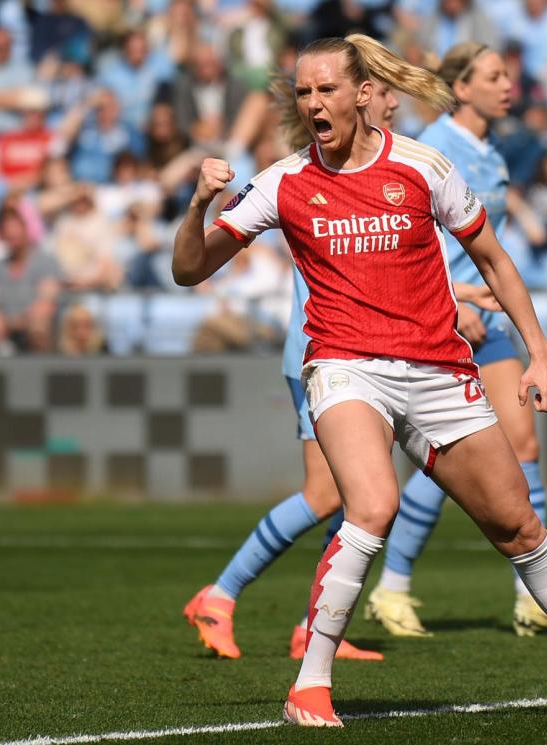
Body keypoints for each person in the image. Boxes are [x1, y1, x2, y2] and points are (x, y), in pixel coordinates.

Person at [173, 33, 547, 727]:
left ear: (363, 95)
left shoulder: (422, 166)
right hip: (344, 366)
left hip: (440, 370)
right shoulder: (282, 181)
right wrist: (197, 205)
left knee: (519, 525)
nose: (312, 102)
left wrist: (538, 351)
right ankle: (310, 685)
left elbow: (496, 262)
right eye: (303, 91)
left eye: (325, 88)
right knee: (371, 504)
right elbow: (189, 269)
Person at [181, 77, 403, 662]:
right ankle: (220, 594)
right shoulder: (310, 175)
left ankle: (314, 624)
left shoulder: (381, 165)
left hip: (365, 354)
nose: (392, 104)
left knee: (362, 496)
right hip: (321, 353)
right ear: (360, 98)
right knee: (328, 494)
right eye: (381, 93)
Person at [364, 40, 547, 640]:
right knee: (451, 460)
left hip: (486, 317)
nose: (508, 86)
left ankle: (530, 596)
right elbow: (413, 237)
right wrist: (450, 297)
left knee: (519, 445)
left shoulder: (492, 153)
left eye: (508, 74)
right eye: (494, 76)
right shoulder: (438, 146)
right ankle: (394, 586)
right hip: (444, 316)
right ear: (462, 88)